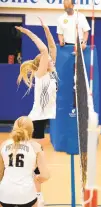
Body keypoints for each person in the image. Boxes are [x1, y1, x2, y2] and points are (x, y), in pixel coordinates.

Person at [15, 17, 57, 207]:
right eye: (46, 59)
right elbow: (45, 50)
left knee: (36, 158)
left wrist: (47, 29)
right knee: (36, 159)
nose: (49, 59)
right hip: (36, 119)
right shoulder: (41, 75)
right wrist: (29, 33)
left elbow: (52, 48)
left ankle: (34, 192)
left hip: (43, 118)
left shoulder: (52, 71)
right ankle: (36, 195)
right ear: (42, 63)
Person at [0, 116, 50, 207]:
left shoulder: (3, 145)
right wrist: (37, 179)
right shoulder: (36, 147)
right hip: (26, 195)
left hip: (5, 195)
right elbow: (45, 175)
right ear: (32, 130)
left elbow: (0, 174)